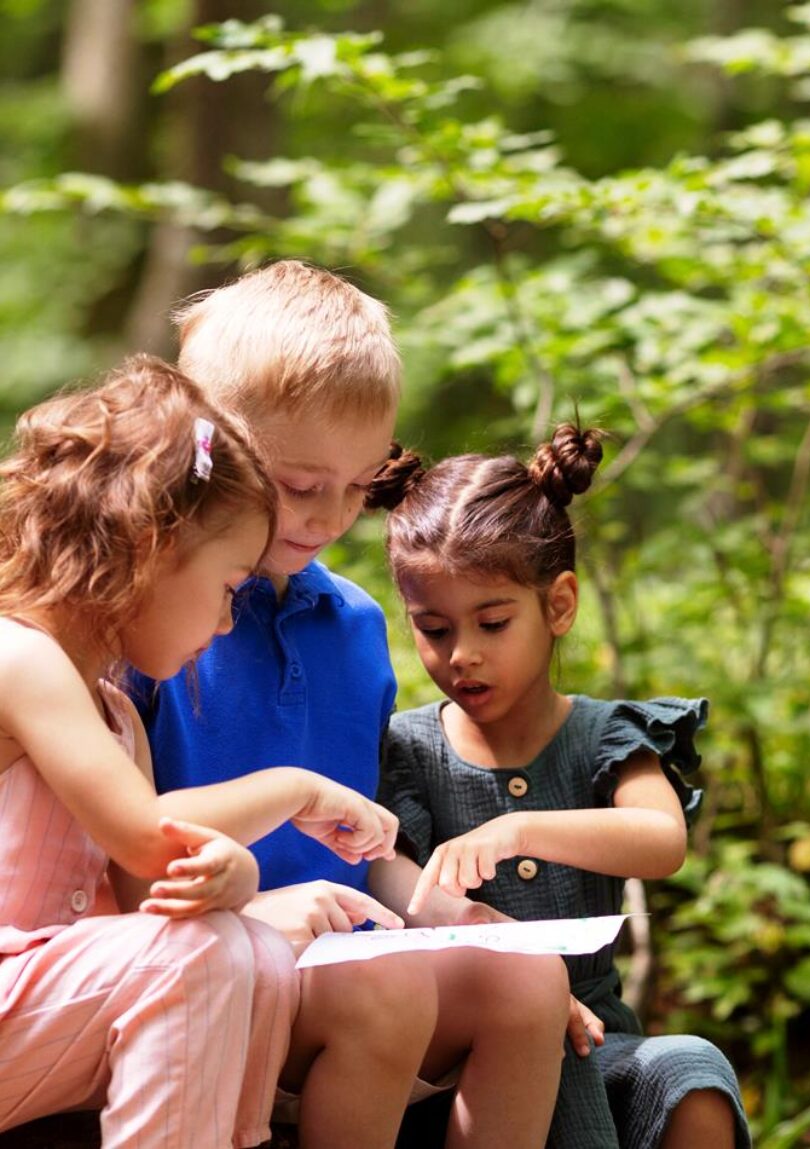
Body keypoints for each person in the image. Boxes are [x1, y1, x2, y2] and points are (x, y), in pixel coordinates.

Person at [133, 260, 571, 1149]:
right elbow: (111, 862)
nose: (331, 517)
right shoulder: (150, 619)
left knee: (530, 979)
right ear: (206, 443)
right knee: (388, 988)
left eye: (361, 485)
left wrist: (443, 909)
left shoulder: (356, 625)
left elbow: (356, 849)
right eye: (301, 485)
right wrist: (248, 917)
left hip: (349, 953)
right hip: (215, 958)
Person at [0, 354, 400, 1148]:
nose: (226, 623)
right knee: (201, 958)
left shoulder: (115, 711)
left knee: (244, 945)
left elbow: (149, 883)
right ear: (150, 547)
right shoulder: (20, 656)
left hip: (36, 1009)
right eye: (227, 588)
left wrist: (237, 875)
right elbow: (147, 830)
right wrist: (294, 787)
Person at [368, 423, 753, 1149]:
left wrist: (518, 828)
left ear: (559, 605)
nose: (463, 655)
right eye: (434, 629)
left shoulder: (606, 735)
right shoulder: (407, 750)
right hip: (466, 1062)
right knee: (539, 1018)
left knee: (693, 1072)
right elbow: (393, 879)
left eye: (492, 621)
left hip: (603, 1040)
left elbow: (661, 839)